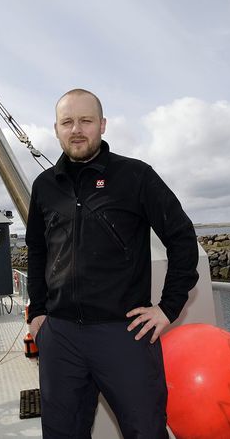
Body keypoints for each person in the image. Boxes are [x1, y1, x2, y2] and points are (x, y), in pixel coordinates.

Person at [26, 88, 199, 438]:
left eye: (86, 120)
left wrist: (168, 308)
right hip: (60, 337)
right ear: (56, 128)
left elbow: (182, 237)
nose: (77, 129)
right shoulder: (44, 186)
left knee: (145, 431)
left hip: (124, 334)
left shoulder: (135, 176)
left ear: (102, 125)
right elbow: (37, 251)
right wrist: (38, 315)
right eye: (67, 122)